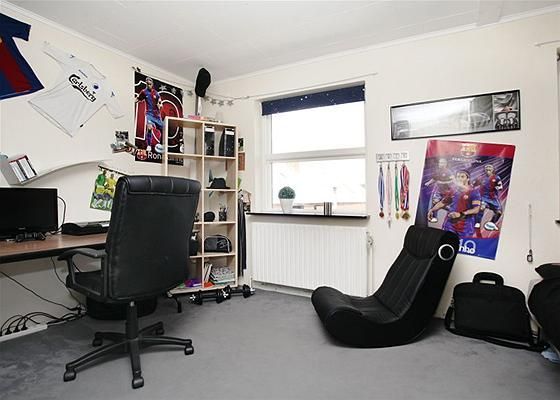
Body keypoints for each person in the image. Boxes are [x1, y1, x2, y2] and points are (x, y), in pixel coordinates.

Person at [428, 170, 481, 238]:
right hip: (450, 224)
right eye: (458, 177)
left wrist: (461, 214)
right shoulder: (454, 190)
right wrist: (432, 210)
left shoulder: (474, 192)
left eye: (462, 177)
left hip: (465, 227)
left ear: (468, 179)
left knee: (461, 244)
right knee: (446, 242)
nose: (459, 178)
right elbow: (443, 202)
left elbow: (476, 209)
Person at [135, 77, 163, 152]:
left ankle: (162, 145)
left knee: (163, 129)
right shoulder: (144, 92)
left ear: (152, 84)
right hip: (149, 114)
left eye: (150, 83)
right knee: (149, 128)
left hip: (157, 115)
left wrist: (160, 104)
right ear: (146, 84)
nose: (149, 84)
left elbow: (159, 101)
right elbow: (138, 99)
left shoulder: (156, 93)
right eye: (147, 83)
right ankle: (149, 145)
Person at [424, 158, 454, 223]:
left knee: (448, 205)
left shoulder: (449, 172)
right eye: (440, 163)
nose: (440, 164)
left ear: (445, 164)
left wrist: (443, 182)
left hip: (447, 192)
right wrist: (428, 183)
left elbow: (452, 180)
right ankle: (434, 217)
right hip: (438, 190)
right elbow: (434, 179)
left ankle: (451, 215)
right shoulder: (437, 171)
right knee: (435, 202)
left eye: (442, 163)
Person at [474, 163, 503, 231]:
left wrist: (498, 188)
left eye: (490, 167)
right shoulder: (481, 178)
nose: (488, 169)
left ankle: (491, 223)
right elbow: (473, 185)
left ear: (493, 169)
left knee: (499, 212)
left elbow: (500, 187)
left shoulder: (496, 178)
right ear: (485, 170)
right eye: (487, 167)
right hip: (483, 197)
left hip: (493, 198)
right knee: (482, 207)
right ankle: (477, 222)